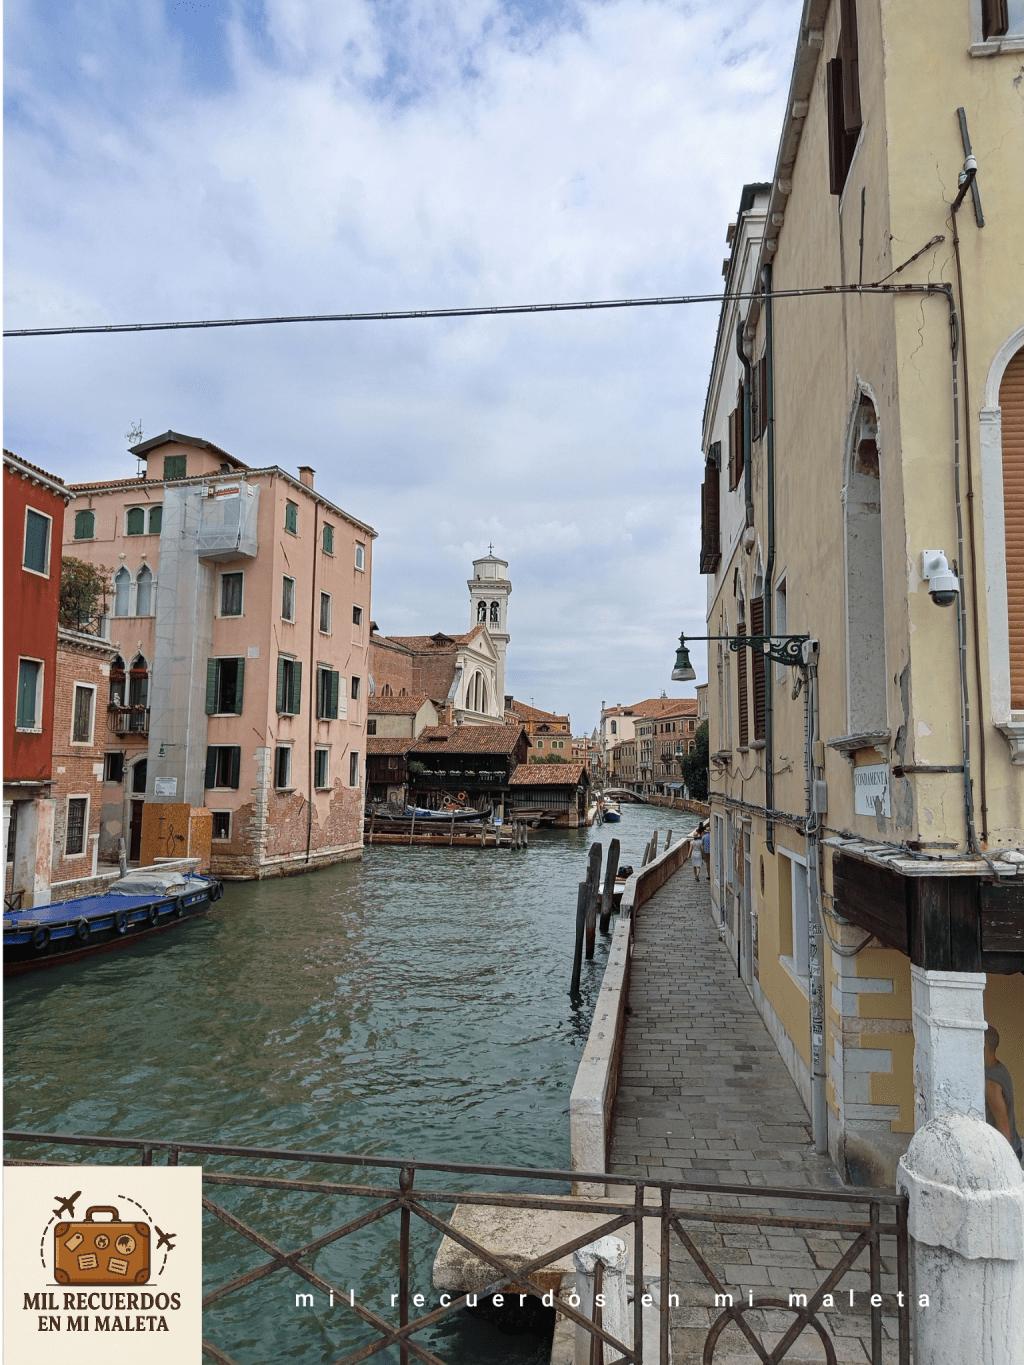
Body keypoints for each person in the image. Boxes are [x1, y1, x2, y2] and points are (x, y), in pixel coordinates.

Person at [984, 1025, 1022, 1163]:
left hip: (1006, 1152)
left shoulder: (990, 1081)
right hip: (1013, 1146)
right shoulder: (1000, 1068)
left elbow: (1003, 1122)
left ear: (984, 1046)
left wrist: (1004, 1162)